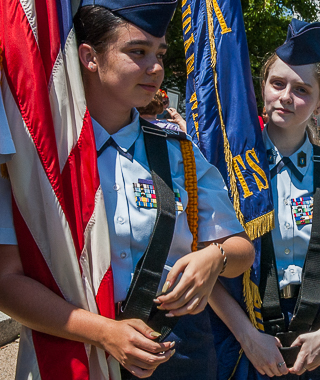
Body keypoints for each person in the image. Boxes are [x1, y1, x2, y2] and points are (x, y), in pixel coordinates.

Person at [0, 1, 255, 379]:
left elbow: (241, 249)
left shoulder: (179, 152)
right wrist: (104, 332)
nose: (155, 68)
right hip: (77, 349)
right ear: (89, 57)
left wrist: (213, 259)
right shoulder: (44, 165)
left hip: (179, 351)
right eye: (137, 51)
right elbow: (6, 281)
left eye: (160, 53)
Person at [208, 19, 320, 379]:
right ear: (263, 87)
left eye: (302, 90)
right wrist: (247, 336)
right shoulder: (231, 168)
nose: (286, 97)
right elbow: (206, 263)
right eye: (277, 83)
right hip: (246, 328)